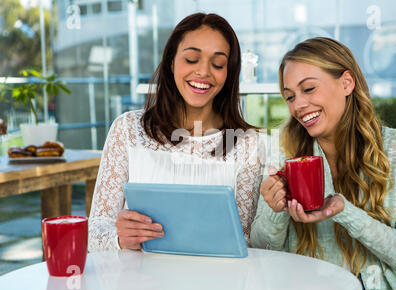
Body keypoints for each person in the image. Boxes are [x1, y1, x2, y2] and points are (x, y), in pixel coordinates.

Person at [249, 37, 396, 290]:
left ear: (347, 83)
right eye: (290, 96)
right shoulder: (287, 154)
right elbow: (262, 249)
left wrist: (344, 212)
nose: (298, 105)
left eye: (309, 89)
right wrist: (275, 211)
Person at [88, 13, 265, 251]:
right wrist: (119, 239)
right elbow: (95, 229)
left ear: (229, 73)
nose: (203, 71)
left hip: (214, 284)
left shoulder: (247, 144)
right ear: (171, 61)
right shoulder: (127, 129)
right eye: (191, 59)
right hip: (139, 283)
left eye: (218, 63)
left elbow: (247, 241)